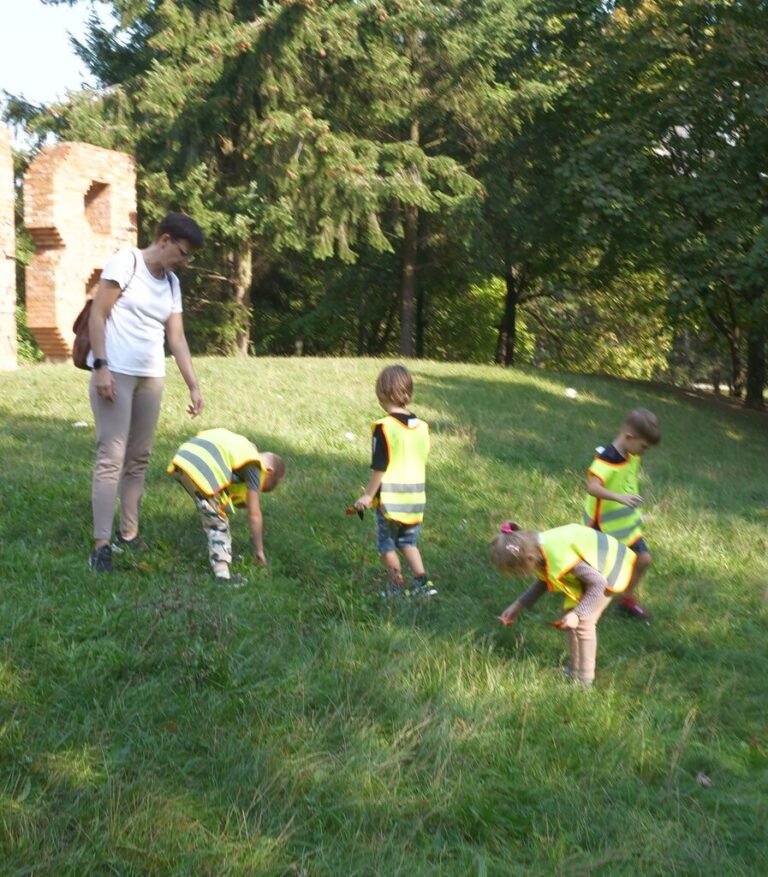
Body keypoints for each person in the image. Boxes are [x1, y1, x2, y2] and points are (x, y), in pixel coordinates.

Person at [87, 213, 205, 573]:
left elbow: (177, 338)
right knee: (112, 455)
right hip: (115, 372)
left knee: (139, 457)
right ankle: (101, 544)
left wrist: (193, 384)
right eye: (182, 253)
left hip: (150, 376)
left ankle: (130, 533)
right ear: (165, 240)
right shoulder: (128, 262)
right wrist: (101, 366)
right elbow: (98, 314)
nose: (184, 262)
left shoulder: (171, 284)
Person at [493, 521, 637, 686]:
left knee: (584, 622)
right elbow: (544, 581)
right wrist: (518, 605)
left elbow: (599, 583)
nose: (519, 575)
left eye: (518, 571)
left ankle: (585, 679)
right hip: (590, 575)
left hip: (610, 567)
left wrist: (578, 613)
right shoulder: (538, 552)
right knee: (567, 615)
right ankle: (574, 668)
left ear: (529, 559)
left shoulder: (560, 554)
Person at [353, 364, 436, 598]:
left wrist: (368, 495)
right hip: (416, 500)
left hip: (391, 502)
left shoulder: (384, 427)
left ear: (381, 393)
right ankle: (424, 586)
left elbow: (380, 467)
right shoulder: (422, 428)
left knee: (386, 545)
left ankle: (397, 587)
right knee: (408, 543)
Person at [167, 428, 286, 584]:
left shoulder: (244, 448)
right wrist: (259, 550)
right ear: (268, 471)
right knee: (218, 523)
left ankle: (224, 556)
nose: (254, 488)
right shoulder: (254, 467)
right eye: (260, 487)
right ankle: (222, 575)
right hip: (201, 467)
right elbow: (254, 514)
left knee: (212, 508)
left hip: (186, 457)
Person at [582, 408, 661, 619]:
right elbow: (592, 487)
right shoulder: (607, 459)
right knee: (602, 571)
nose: (643, 452)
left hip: (626, 525)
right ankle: (586, 606)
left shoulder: (631, 453)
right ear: (628, 437)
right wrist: (619, 497)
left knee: (643, 560)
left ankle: (626, 600)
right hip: (602, 526)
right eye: (643, 446)